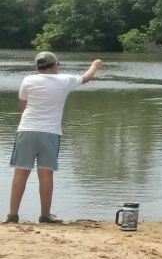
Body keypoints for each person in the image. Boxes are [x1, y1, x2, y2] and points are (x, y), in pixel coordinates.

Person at [6, 52, 102, 224]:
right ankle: (45, 215)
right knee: (46, 174)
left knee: (20, 172)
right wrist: (95, 65)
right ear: (55, 65)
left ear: (37, 67)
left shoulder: (28, 80)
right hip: (50, 133)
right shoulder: (65, 80)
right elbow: (86, 78)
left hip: (26, 130)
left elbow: (22, 107)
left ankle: (13, 215)